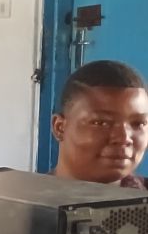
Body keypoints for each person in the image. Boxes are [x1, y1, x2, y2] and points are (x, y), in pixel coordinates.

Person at [50, 59, 148, 187]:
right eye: (101, 123)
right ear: (60, 128)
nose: (123, 138)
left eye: (138, 123)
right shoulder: (23, 202)